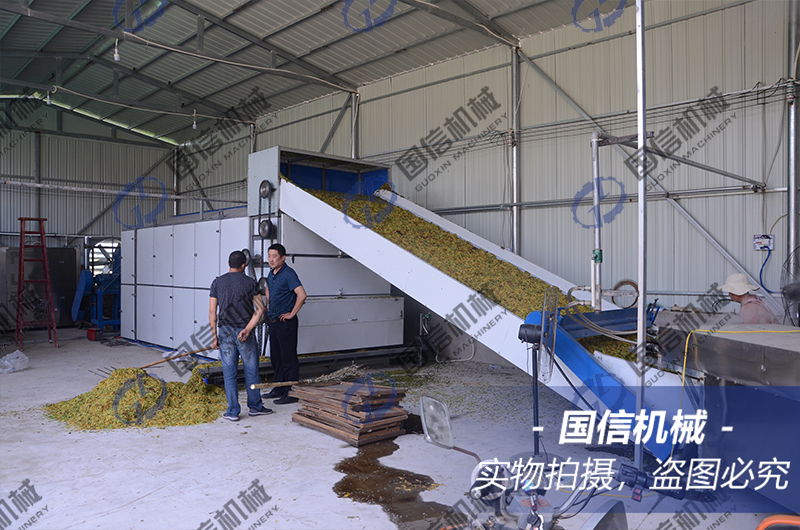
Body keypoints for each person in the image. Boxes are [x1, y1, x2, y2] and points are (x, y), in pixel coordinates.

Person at [210, 251, 273, 421]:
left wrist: (214, 336)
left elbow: (212, 313)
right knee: (251, 371)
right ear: (244, 265)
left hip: (225, 333)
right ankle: (255, 407)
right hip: (245, 333)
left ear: (228, 263)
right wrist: (248, 328)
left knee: (229, 373)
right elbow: (260, 308)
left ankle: (232, 411)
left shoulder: (217, 282)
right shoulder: (250, 282)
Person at [263, 243, 307, 405]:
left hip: (285, 322)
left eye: (274, 256)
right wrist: (269, 305)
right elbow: (268, 289)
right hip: (274, 321)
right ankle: (279, 388)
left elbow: (302, 295)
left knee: (288, 358)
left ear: (283, 258)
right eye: (269, 256)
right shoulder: (271, 273)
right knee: (276, 357)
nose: (271, 259)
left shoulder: (289, 274)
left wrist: (292, 313)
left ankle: (291, 391)